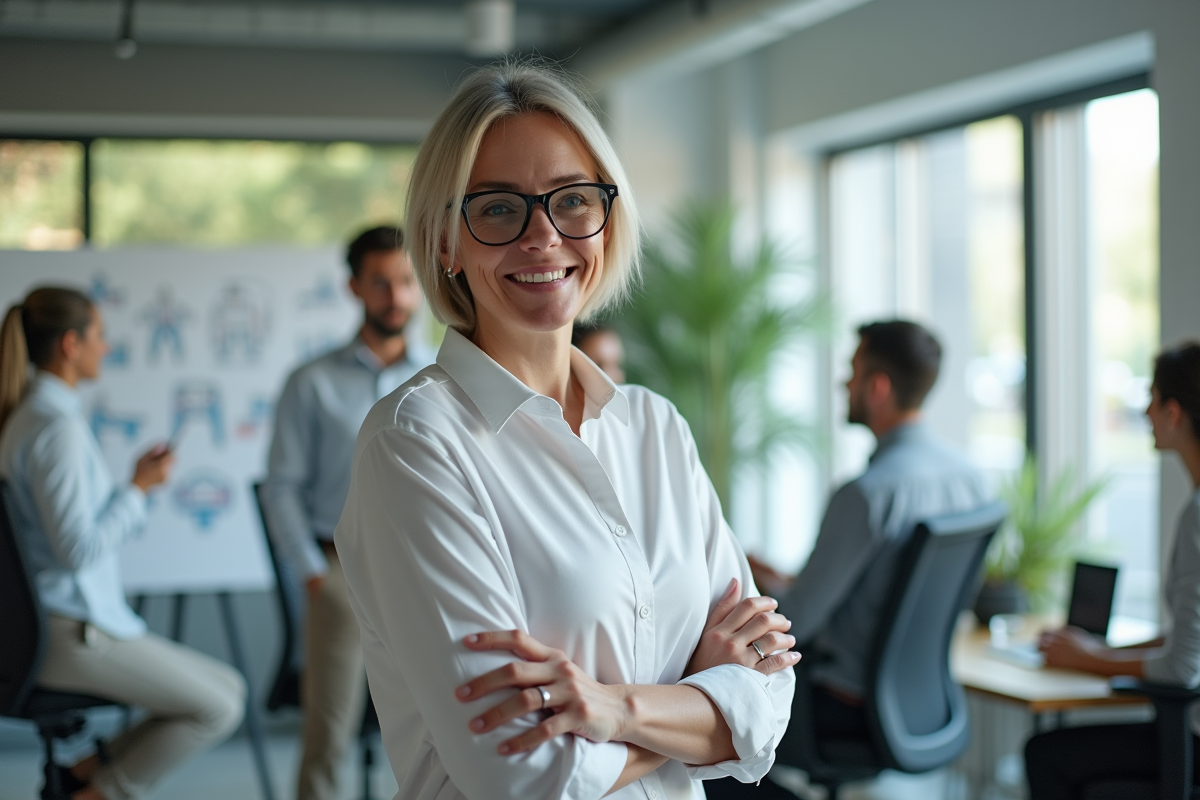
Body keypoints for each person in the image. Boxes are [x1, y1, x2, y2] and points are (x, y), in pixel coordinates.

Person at [334, 61, 798, 800]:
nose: (544, 236)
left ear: (606, 221)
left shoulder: (654, 428)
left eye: (572, 201)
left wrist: (611, 709)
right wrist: (701, 700)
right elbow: (524, 772)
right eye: (496, 209)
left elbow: (768, 708)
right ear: (445, 241)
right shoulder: (415, 445)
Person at [710, 320, 990, 797]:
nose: (844, 384)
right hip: (921, 702)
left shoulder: (866, 495)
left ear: (877, 388)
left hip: (840, 704)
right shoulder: (970, 480)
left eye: (852, 372)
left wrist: (762, 588)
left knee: (706, 742)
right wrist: (791, 580)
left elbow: (795, 624)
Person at [0, 287, 245, 800]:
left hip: (63, 626)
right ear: (71, 344)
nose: (106, 347)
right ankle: (98, 794)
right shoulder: (54, 427)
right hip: (69, 635)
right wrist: (137, 491)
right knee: (219, 707)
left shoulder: (33, 419)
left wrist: (134, 485)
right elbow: (77, 550)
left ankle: (81, 776)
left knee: (230, 690)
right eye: (99, 336)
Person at [261, 225, 431, 800]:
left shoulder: (443, 380)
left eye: (406, 282)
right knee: (328, 732)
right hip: (338, 572)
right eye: (381, 283)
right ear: (354, 287)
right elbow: (280, 486)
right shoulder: (310, 383)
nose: (397, 297)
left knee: (444, 727)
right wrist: (310, 571)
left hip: (427, 568)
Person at [1024, 342, 1200, 798]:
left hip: (1194, 743)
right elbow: (1187, 638)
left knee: (1045, 756)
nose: (1144, 412)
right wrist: (1101, 648)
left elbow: (1182, 668)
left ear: (1174, 413)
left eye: (1152, 398)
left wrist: (1087, 658)